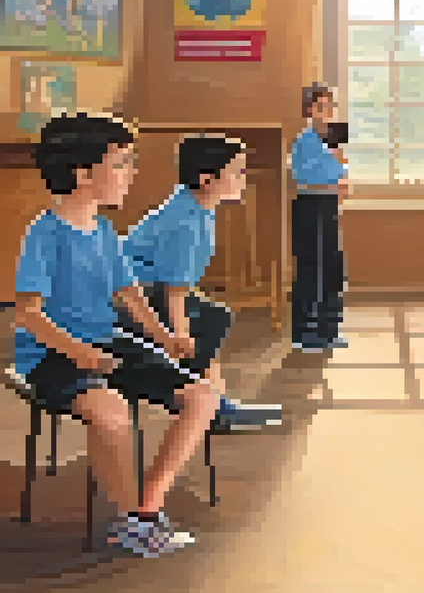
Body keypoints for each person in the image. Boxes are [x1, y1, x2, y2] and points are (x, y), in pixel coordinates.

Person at [13, 113, 218, 557]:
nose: (132, 173)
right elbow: (27, 314)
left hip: (105, 341)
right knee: (111, 411)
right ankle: (132, 523)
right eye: (122, 162)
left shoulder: (105, 231)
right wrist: (81, 355)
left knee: (202, 397)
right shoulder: (45, 235)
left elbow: (129, 295)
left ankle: (145, 510)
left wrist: (164, 337)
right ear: (83, 174)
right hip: (51, 351)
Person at [120, 134, 284, 432]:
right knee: (212, 318)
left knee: (212, 316)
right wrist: (180, 333)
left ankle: (214, 403)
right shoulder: (186, 222)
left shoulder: (195, 208)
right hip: (127, 298)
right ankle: (195, 400)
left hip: (144, 290)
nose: (243, 179)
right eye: (237, 172)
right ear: (207, 180)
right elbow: (174, 289)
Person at [288, 83, 348, 353]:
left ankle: (329, 329)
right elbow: (306, 177)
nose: (327, 112)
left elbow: (340, 170)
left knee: (332, 268)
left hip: (329, 205)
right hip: (310, 205)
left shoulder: (332, 136)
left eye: (330, 106)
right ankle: (305, 332)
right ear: (310, 109)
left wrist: (338, 175)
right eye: (321, 106)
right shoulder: (304, 140)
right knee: (312, 268)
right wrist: (335, 175)